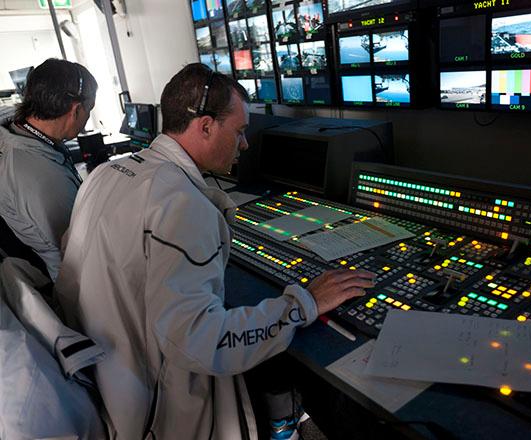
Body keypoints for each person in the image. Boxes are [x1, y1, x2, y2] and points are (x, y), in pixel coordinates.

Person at [55, 63, 374, 439]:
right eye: (239, 131)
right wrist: (302, 304)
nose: (245, 144)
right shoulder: (181, 204)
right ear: (205, 126)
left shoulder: (106, 173)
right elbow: (202, 342)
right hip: (157, 411)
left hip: (102, 379)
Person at [0, 59, 97, 281]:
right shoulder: (41, 180)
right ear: (76, 109)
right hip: (71, 284)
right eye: (89, 109)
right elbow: (80, 254)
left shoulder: (18, 130)